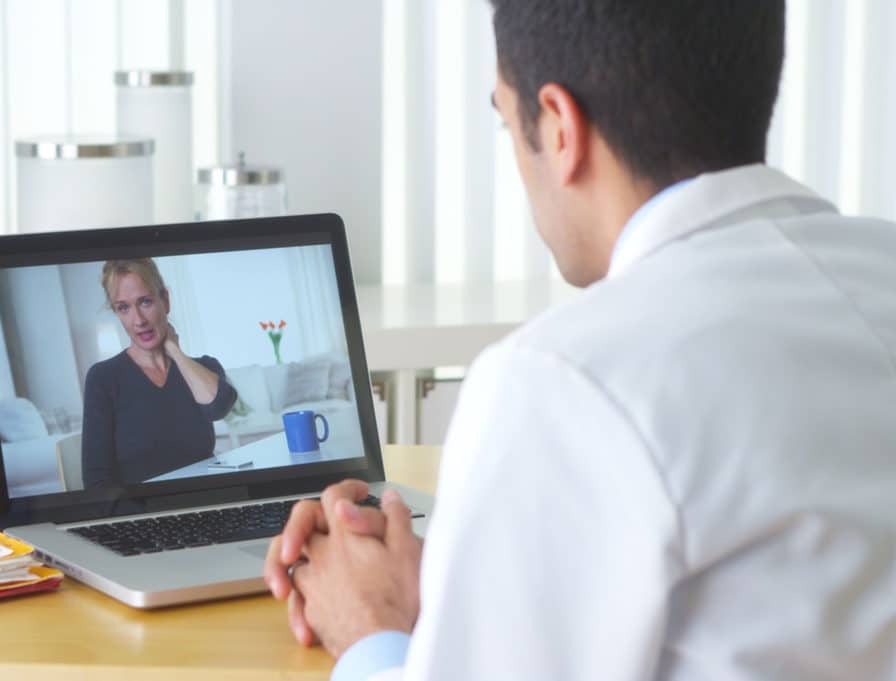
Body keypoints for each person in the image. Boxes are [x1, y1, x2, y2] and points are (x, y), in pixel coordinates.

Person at [264, 1, 896, 679]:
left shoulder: (565, 379)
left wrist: (372, 630)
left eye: (506, 121)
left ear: (560, 128)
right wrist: (459, 590)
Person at [82, 258, 237, 488]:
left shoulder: (204, 366)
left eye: (145, 302)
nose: (138, 321)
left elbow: (218, 406)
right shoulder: (103, 378)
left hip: (206, 500)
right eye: (123, 308)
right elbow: (97, 481)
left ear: (165, 300)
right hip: (143, 512)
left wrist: (174, 350)